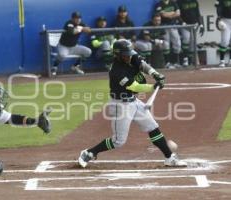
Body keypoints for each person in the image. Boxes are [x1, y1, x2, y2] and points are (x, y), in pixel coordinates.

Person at [78, 39, 187, 168]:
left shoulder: (131, 56)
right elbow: (134, 87)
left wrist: (155, 74)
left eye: (129, 53)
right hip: (120, 106)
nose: (129, 56)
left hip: (134, 102)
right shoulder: (117, 71)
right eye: (125, 54)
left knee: (152, 127)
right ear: (117, 55)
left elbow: (142, 64)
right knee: (118, 141)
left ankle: (169, 158)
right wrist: (153, 87)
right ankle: (89, 153)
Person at [52, 11, 92, 75]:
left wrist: (82, 28)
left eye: (79, 18)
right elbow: (72, 32)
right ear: (72, 19)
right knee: (62, 55)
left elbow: (89, 31)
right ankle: (54, 66)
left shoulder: (81, 24)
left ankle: (75, 66)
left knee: (88, 52)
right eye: (76, 18)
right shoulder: (69, 23)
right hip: (63, 46)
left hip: (74, 46)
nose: (78, 19)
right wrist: (81, 29)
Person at [155, 0, 182, 68]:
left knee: (177, 43)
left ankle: (176, 62)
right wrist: (173, 13)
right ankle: (167, 63)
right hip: (164, 26)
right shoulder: (159, 4)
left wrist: (168, 14)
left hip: (173, 25)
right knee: (166, 44)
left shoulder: (173, 3)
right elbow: (163, 14)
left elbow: (178, 13)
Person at [177, 0, 204, 66]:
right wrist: (182, 22)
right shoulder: (179, 2)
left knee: (192, 43)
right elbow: (178, 14)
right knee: (186, 40)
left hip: (194, 24)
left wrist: (201, 24)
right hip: (185, 25)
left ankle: (190, 60)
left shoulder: (194, 1)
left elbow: (198, 13)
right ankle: (185, 59)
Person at [215, 0, 231, 67]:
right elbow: (218, 8)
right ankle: (222, 61)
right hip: (225, 20)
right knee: (225, 41)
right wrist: (219, 18)